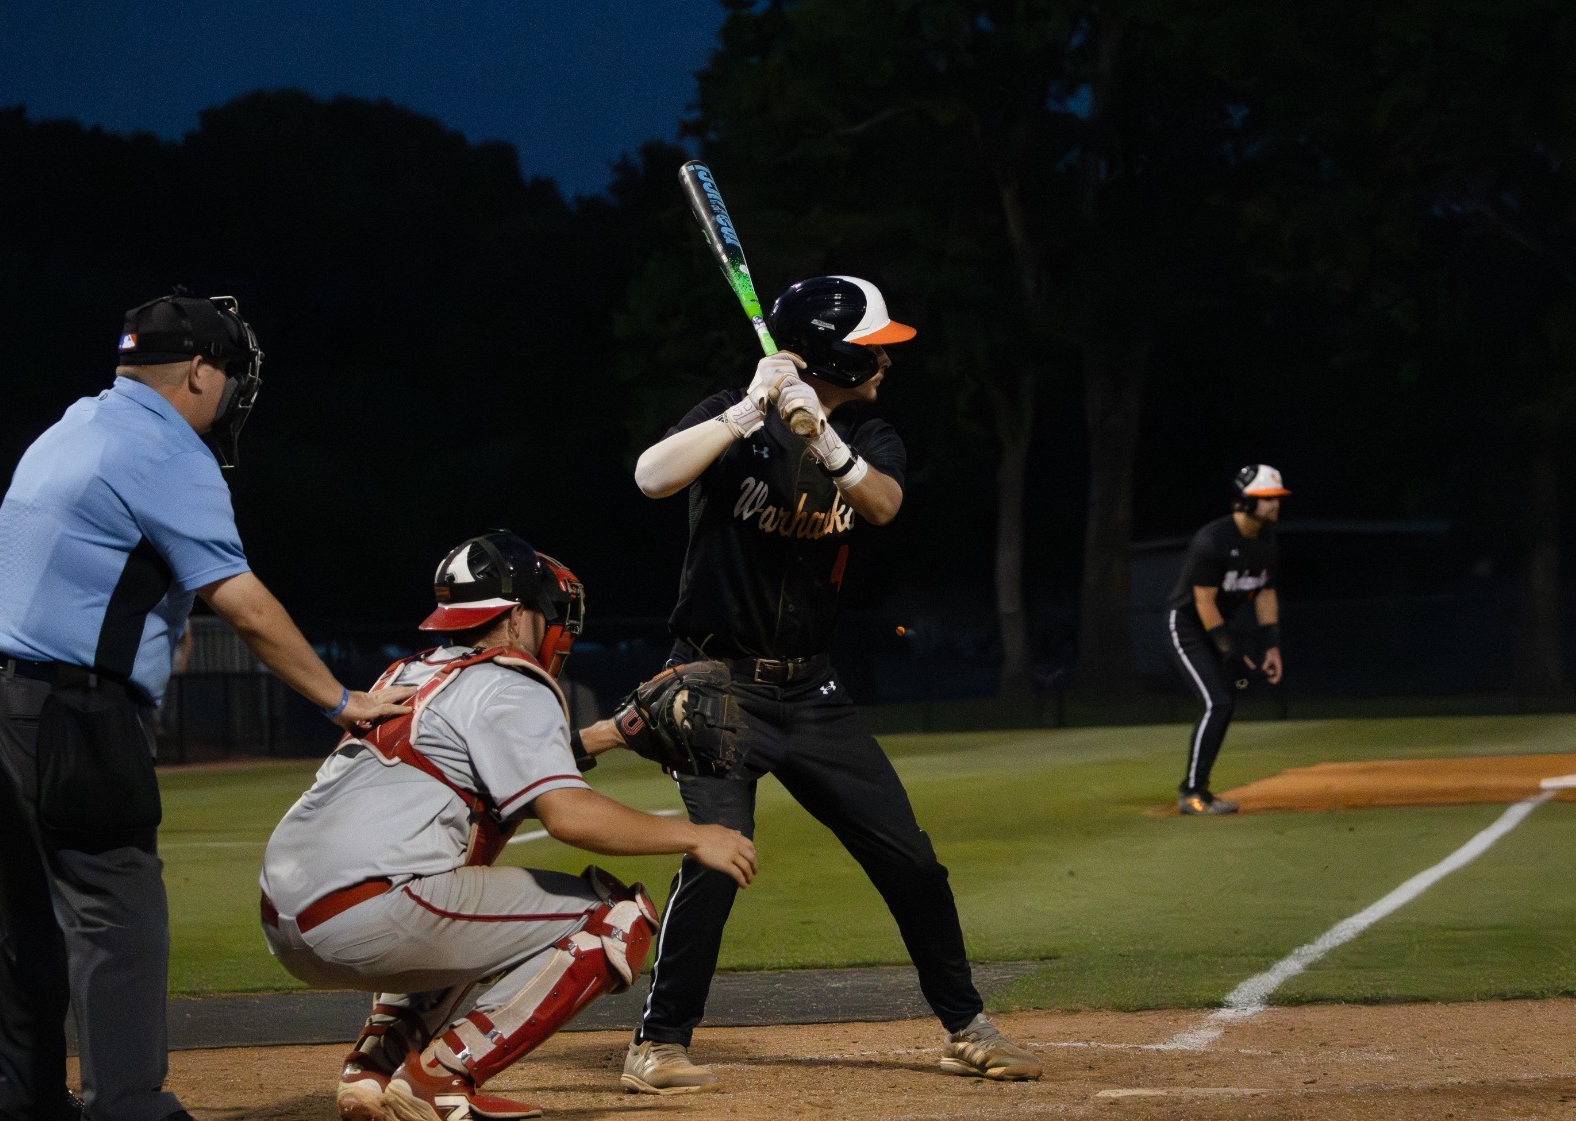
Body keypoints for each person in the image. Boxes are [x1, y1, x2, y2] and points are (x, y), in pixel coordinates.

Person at [0, 293, 412, 1121]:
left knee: (26, 907)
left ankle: (13, 1097)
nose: (236, 393)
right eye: (231, 374)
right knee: (118, 907)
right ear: (200, 371)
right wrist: (340, 698)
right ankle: (128, 1104)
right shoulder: (168, 450)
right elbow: (243, 604)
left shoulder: (74, 424)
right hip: (74, 708)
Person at [606, 275, 1042, 1093]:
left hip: (811, 691)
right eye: (874, 349)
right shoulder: (732, 414)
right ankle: (657, 1044)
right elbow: (651, 478)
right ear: (835, 353)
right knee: (717, 858)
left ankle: (966, 1026)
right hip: (713, 683)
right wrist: (748, 410)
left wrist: (827, 442)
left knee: (911, 860)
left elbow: (882, 505)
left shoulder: (871, 433)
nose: (886, 362)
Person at [259, 531, 757, 1121]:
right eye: (547, 611)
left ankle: (372, 1072)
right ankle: (441, 1077)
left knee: (460, 892)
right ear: (518, 615)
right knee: (614, 916)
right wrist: (699, 835)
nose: (555, 626)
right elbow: (568, 816)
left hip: (285, 917)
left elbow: (497, 767)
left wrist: (606, 735)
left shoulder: (409, 672)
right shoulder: (513, 680)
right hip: (366, 913)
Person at [1163, 464, 1289, 815]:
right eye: (1267, 498)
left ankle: (1197, 788)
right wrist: (1229, 653)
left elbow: (1265, 593)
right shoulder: (1214, 539)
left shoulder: (1266, 540)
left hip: (1216, 626)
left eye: (1277, 497)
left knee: (1224, 704)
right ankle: (1191, 793)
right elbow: (1203, 602)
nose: (1275, 504)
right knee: (1217, 702)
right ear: (1246, 501)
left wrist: (1271, 645)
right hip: (1187, 626)